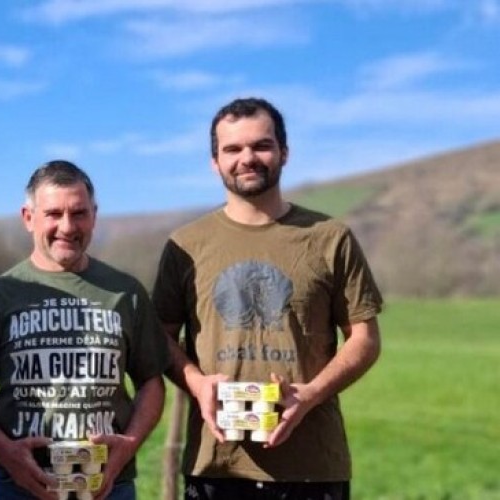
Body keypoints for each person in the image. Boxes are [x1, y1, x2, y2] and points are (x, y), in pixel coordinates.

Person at [152, 97, 384, 499]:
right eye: (232, 149)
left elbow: (365, 338)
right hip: (216, 467)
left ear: (284, 152)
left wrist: (310, 394)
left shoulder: (330, 237)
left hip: (313, 469)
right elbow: (160, 338)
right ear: (214, 161)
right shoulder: (185, 245)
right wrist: (197, 383)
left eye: (261, 145)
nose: (247, 158)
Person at [0, 160, 169, 500]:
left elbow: (151, 380)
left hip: (107, 482)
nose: (67, 226)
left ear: (94, 214)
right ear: (28, 217)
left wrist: (128, 447)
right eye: (53, 214)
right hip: (19, 483)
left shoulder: (125, 292)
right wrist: (7, 455)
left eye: (78, 213)